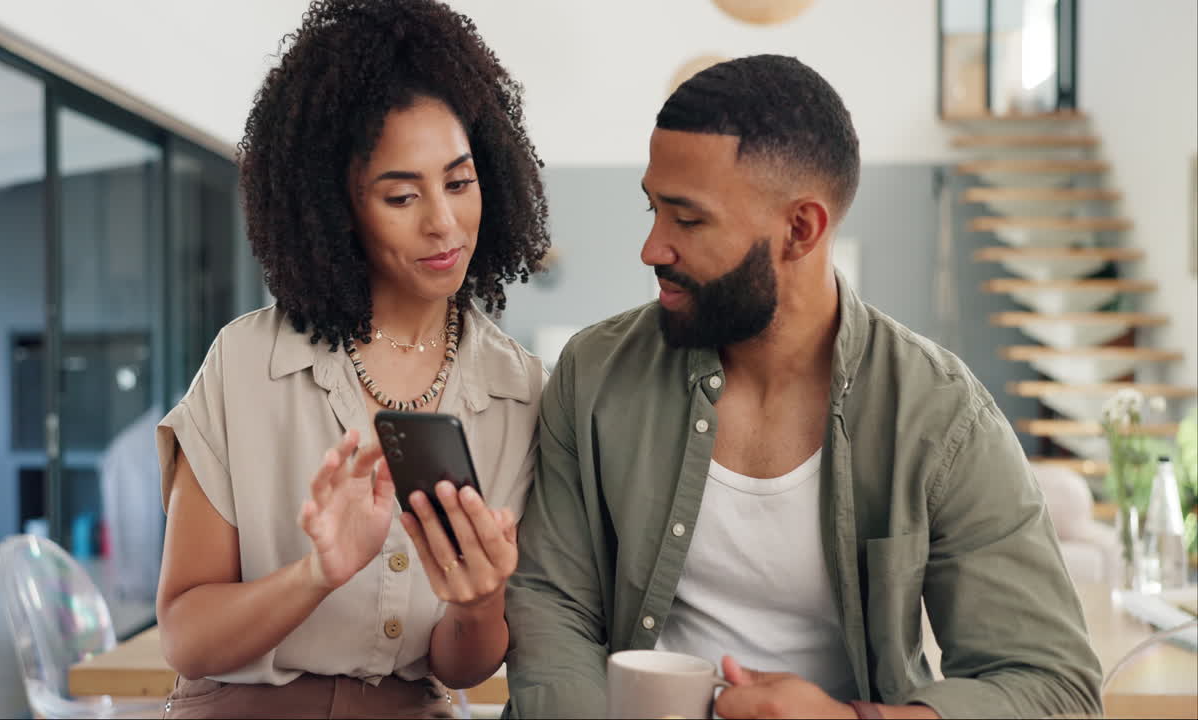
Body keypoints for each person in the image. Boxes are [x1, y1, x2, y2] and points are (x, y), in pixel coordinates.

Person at [504, 54, 1102, 719]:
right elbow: (550, 609)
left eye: (688, 220)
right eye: (653, 209)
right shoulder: (593, 374)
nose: (652, 247)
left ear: (801, 229)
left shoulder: (942, 416)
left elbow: (1054, 686)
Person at [154, 1, 549, 717]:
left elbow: (461, 666)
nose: (443, 222)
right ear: (335, 208)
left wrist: (481, 601)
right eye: (402, 195)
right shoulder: (247, 364)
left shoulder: (520, 390)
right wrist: (317, 574)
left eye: (459, 183)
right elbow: (185, 636)